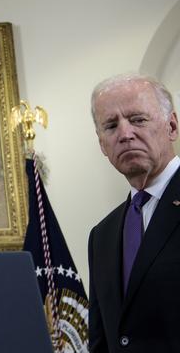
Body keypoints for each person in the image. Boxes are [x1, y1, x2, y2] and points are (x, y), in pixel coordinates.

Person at [88, 73, 180, 352]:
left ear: (172, 127)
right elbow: (102, 341)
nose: (125, 134)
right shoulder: (101, 236)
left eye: (138, 119)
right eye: (111, 125)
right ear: (102, 144)